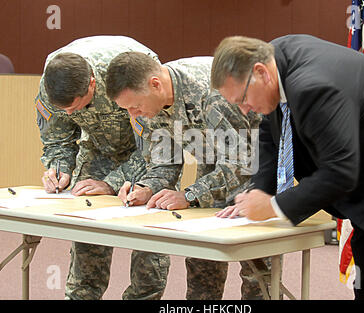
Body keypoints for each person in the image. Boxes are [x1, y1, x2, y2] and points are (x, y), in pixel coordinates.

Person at [210, 34, 364, 300]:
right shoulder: (274, 61)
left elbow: (340, 171)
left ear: (260, 72)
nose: (245, 110)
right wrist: (259, 193)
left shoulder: (314, 85)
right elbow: (270, 133)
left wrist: (272, 207)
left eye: (243, 99)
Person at [105, 52, 268, 299]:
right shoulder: (152, 103)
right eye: (127, 109)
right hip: (213, 162)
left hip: (257, 166)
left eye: (135, 106)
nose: (134, 115)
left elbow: (239, 164)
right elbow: (164, 161)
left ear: (155, 84)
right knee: (202, 256)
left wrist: (190, 194)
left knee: (256, 266)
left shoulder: (214, 94)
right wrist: (146, 187)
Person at [35, 35, 169, 300]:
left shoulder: (133, 73)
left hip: (147, 154)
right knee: (87, 242)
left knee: (149, 249)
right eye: (66, 110)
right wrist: (59, 168)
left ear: (93, 84)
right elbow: (57, 138)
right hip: (96, 149)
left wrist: (111, 182)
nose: (72, 115)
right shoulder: (51, 82)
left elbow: (157, 148)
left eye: (77, 106)